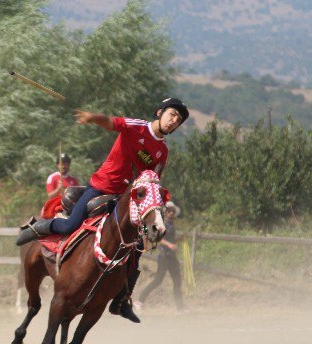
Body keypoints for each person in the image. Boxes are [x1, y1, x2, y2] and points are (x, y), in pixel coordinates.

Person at [15, 97, 190, 322]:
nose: (174, 121)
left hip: (126, 201)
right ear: (160, 112)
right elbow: (110, 122)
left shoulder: (162, 152)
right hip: (101, 187)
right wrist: (91, 118)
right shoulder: (136, 127)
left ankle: (122, 300)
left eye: (178, 120)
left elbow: (151, 180)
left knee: (136, 246)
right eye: (172, 115)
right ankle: (38, 227)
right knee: (71, 224)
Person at [134, 201, 185, 311]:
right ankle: (139, 301)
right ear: (165, 212)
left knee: (177, 281)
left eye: (173, 211)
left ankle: (180, 308)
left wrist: (177, 240)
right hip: (164, 257)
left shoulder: (171, 224)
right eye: (169, 211)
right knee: (157, 281)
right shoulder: (162, 224)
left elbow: (169, 240)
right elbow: (158, 239)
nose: (171, 213)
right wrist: (170, 245)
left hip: (172, 257)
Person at [40, 153, 80, 219]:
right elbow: (50, 196)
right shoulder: (52, 177)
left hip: (70, 208)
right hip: (56, 207)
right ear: (57, 165)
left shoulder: (74, 180)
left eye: (65, 163)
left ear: (69, 165)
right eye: (61, 164)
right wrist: (58, 189)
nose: (63, 166)